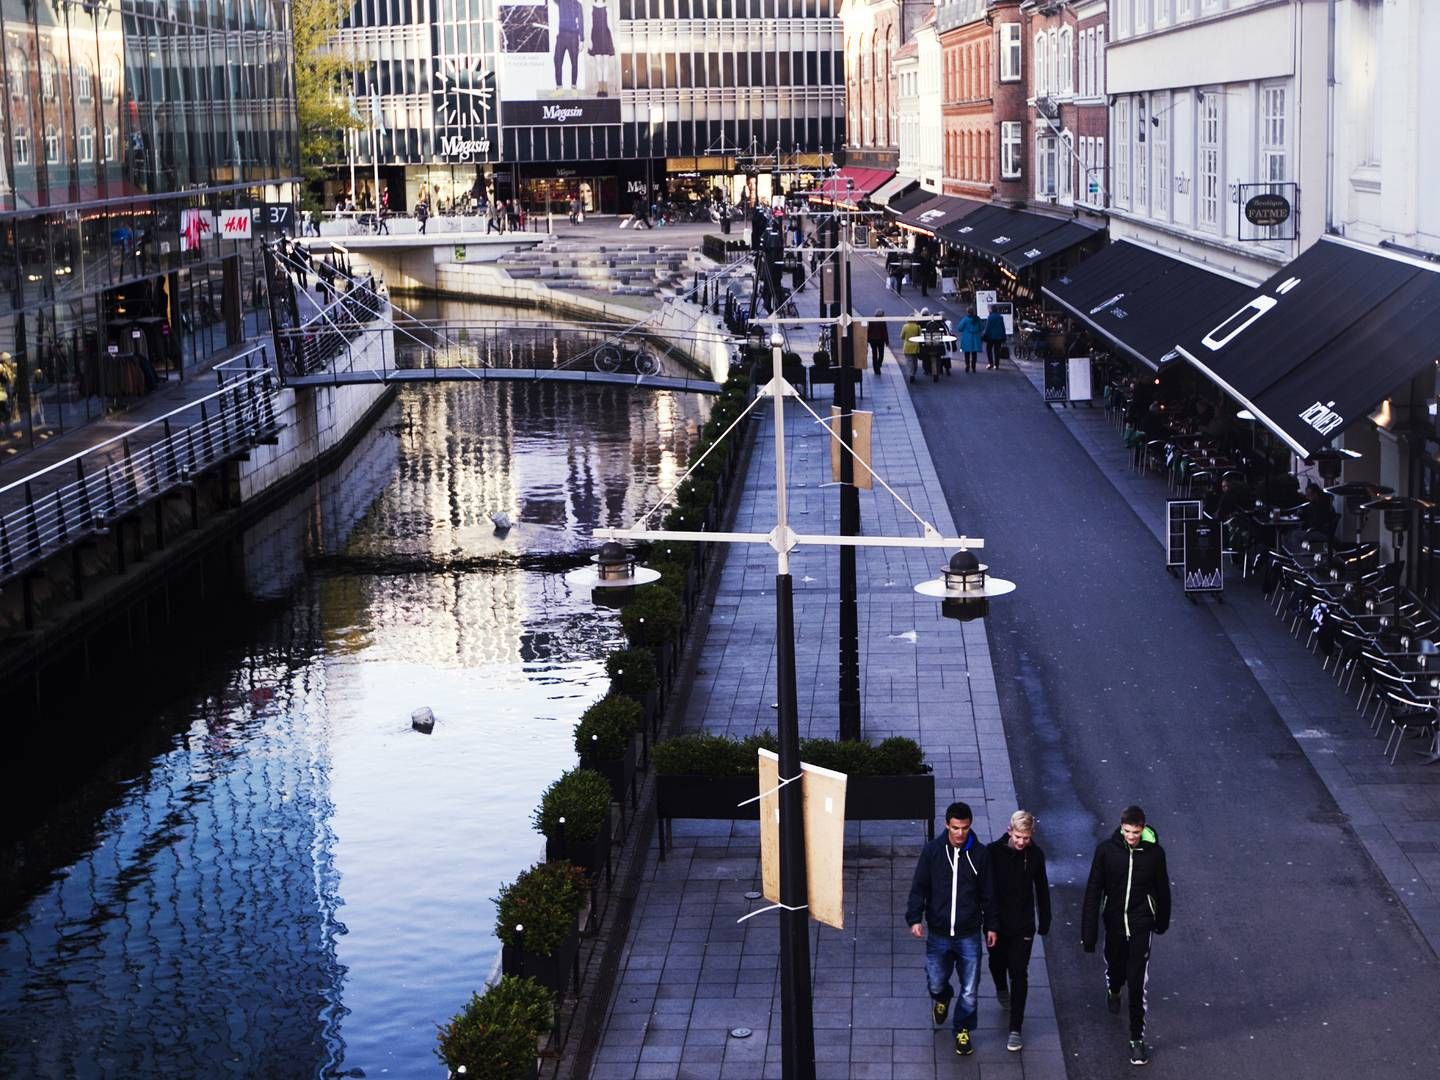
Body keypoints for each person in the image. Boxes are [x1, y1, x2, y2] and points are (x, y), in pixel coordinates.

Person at [1082, 805, 1171, 1068]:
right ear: (1121, 828)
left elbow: (1162, 888)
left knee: (1137, 982)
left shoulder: (1154, 854)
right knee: (1116, 965)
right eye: (1128, 831)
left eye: (1136, 832)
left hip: (1141, 923)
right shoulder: (1107, 851)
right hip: (1114, 923)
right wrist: (1089, 933)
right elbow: (1094, 889)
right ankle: (1113, 986)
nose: (1132, 836)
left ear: (1143, 829)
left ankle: (1136, 1039)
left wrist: (1162, 920)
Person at [906, 801, 998, 1058]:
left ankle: (963, 1029)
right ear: (947, 824)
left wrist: (991, 925)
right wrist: (915, 918)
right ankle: (943, 997)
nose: (960, 833)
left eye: (965, 828)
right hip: (939, 932)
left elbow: (989, 893)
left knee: (970, 988)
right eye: (956, 828)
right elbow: (920, 887)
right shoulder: (933, 852)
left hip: (969, 933)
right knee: (935, 979)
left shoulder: (980, 855)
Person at [987, 811, 1050, 1054]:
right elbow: (987, 890)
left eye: (1026, 837)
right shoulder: (993, 852)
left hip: (1023, 925)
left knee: (1019, 973)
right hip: (998, 924)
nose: (1022, 842)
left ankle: (1016, 1028)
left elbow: (1042, 888)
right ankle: (1001, 987)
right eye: (1018, 837)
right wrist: (989, 922)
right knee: (996, 963)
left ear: (1031, 834)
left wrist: (1045, 919)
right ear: (1009, 831)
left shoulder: (1036, 855)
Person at [552, 0, 584, 89]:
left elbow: (581, 22)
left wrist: (581, 40)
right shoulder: (561, 1)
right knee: (557, 60)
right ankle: (559, 87)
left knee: (574, 62)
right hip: (561, 36)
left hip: (573, 37)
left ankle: (574, 86)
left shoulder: (578, 5)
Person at [958, 307, 985, 374]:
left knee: (967, 353)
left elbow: (960, 328)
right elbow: (982, 327)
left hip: (967, 338)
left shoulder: (965, 319)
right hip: (975, 338)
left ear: (967, 312)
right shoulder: (977, 319)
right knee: (974, 353)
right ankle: (973, 367)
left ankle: (967, 365)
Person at [867, 309, 889, 374]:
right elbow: (885, 332)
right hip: (880, 340)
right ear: (882, 315)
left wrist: (866, 340)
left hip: (872, 340)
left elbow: (868, 330)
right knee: (881, 354)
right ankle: (878, 365)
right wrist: (887, 341)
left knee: (874, 354)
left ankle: (876, 368)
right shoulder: (882, 321)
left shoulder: (871, 320)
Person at [901, 314, 921, 383]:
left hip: (907, 345)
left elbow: (902, 336)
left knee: (909, 361)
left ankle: (911, 374)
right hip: (915, 346)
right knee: (915, 361)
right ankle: (914, 373)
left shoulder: (905, 326)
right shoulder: (917, 327)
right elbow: (920, 336)